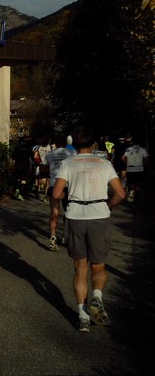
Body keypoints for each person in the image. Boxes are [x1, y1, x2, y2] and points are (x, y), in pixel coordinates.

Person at [52, 126, 125, 333]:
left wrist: (69, 195)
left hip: (75, 215)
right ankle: (97, 297)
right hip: (99, 214)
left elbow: (56, 194)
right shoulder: (104, 163)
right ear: (94, 145)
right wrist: (107, 205)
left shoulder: (68, 163)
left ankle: (83, 317)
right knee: (99, 266)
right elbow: (121, 194)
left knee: (80, 267)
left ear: (74, 145)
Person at [45, 135, 74, 251]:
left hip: (54, 184)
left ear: (55, 143)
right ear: (66, 143)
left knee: (54, 212)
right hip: (68, 185)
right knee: (69, 212)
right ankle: (66, 236)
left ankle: (53, 236)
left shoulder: (49, 154)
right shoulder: (72, 153)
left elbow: (43, 169)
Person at [122, 136, 149, 203]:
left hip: (130, 169)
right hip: (139, 169)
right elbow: (147, 160)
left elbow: (122, 158)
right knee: (138, 184)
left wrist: (127, 163)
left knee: (131, 183)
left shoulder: (128, 149)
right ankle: (136, 200)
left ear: (132, 142)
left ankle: (131, 193)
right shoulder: (143, 149)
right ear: (140, 142)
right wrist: (142, 163)